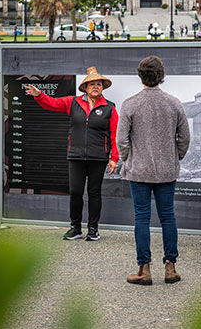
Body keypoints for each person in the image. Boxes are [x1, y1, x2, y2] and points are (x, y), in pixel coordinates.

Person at [117, 56, 190, 286]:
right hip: (167, 171)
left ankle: (144, 269)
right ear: (162, 75)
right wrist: (175, 156)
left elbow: (122, 140)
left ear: (140, 76)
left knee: (142, 217)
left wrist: (128, 159)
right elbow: (184, 138)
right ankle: (170, 267)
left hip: (138, 171)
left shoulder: (130, 104)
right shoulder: (174, 103)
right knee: (168, 217)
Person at [25, 67, 119, 241]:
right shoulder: (72, 102)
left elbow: (113, 135)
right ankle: (75, 228)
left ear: (103, 88)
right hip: (76, 156)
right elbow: (52, 103)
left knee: (94, 193)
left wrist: (114, 158)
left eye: (99, 84)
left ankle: (93, 230)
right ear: (85, 87)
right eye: (92, 84)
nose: (96, 87)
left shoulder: (110, 108)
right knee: (75, 192)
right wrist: (39, 95)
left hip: (98, 157)